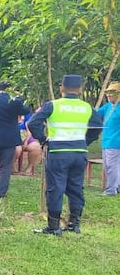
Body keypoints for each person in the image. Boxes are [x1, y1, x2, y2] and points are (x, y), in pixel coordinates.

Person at [28, 75, 102, 235]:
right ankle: (74, 224)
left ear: (61, 87)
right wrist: (85, 141)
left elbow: (32, 123)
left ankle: (54, 226)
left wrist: (43, 140)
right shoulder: (87, 107)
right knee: (76, 188)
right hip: (79, 153)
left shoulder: (53, 106)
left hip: (58, 152)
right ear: (80, 89)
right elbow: (98, 126)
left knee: (55, 188)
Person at [0, 81, 32, 198]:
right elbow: (26, 110)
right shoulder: (15, 101)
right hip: (9, 138)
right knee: (6, 165)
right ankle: (1, 192)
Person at [97, 81, 120, 196]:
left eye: (112, 93)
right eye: (108, 93)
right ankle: (117, 187)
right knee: (108, 166)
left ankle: (111, 190)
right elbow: (95, 114)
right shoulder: (107, 106)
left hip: (115, 141)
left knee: (112, 166)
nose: (109, 95)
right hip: (106, 141)